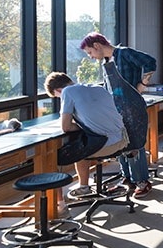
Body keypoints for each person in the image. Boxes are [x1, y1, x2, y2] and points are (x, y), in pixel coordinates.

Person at [80, 32, 156, 198]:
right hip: (117, 109)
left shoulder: (125, 53)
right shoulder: (106, 63)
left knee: (135, 143)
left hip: (133, 107)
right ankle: (127, 178)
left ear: (97, 45)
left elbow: (150, 62)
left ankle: (142, 181)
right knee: (121, 141)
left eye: (90, 52)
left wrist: (142, 84)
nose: (91, 57)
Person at [45, 71, 128, 203]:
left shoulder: (67, 92)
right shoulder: (97, 88)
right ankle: (83, 187)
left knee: (63, 154)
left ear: (59, 90)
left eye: (57, 97)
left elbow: (65, 127)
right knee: (82, 143)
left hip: (106, 143)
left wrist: (79, 125)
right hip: (123, 139)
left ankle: (64, 201)